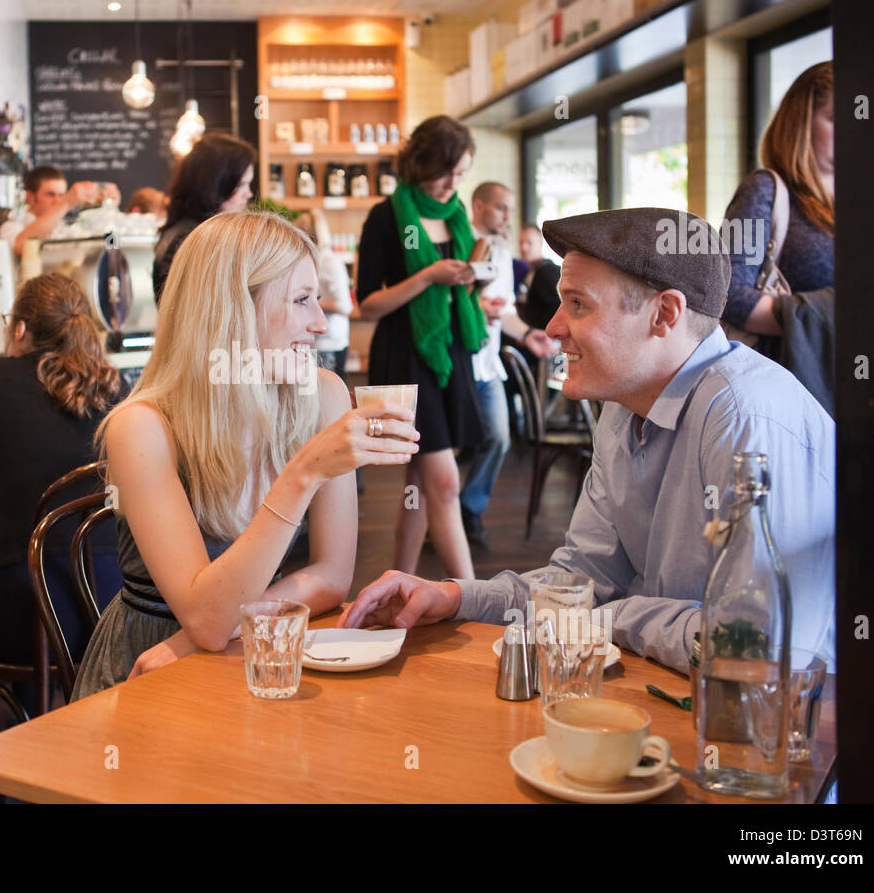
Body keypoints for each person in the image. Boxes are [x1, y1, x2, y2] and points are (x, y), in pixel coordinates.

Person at [340, 208, 835, 674]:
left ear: (664, 314)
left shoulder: (749, 417)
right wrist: (454, 597)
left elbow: (757, 647)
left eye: (578, 304)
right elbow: (580, 584)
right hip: (680, 696)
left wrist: (617, 616)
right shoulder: (623, 408)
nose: (553, 327)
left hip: (798, 738)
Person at [72, 211, 420, 698]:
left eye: (316, 299)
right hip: (147, 667)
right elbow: (207, 617)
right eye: (301, 300)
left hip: (244, 646)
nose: (321, 323)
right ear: (231, 309)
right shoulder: (143, 427)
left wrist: (195, 639)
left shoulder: (323, 395)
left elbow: (332, 578)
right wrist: (304, 472)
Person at [0, 273, 126, 669]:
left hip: (24, 606)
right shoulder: (118, 387)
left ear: (20, 327)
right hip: (116, 606)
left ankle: (23, 726)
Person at [355, 115, 485, 582]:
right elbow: (368, 305)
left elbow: (459, 290)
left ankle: (399, 582)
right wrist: (428, 276)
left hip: (452, 353)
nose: (453, 185)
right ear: (420, 163)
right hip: (406, 356)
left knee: (422, 484)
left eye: (462, 174)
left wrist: (471, 285)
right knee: (445, 483)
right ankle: (472, 600)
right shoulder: (386, 217)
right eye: (445, 172)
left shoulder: (457, 215)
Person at [721, 60, 834, 411]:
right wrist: (830, 316)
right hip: (791, 386)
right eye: (834, 118)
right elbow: (728, 294)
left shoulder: (873, 198)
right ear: (800, 124)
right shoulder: (764, 190)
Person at [459, 183, 557, 547]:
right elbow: (449, 298)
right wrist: (475, 308)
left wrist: (528, 333)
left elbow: (505, 313)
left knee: (499, 437)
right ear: (478, 205)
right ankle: (439, 517)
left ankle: (468, 507)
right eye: (500, 208)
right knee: (447, 449)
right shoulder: (459, 241)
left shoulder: (501, 250)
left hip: (488, 364)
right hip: (457, 361)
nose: (506, 217)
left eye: (509, 209)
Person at [151, 133, 256, 302]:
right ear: (217, 184)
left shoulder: (185, 230)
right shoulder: (192, 238)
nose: (249, 194)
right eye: (242, 185)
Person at [0, 166, 121, 258]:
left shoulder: (65, 230)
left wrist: (110, 211)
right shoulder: (12, 227)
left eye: (62, 195)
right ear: (30, 197)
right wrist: (66, 202)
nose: (57, 201)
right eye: (50, 194)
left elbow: (109, 245)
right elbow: (21, 246)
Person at [294, 209, 352, 381]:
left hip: (330, 341)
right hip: (316, 341)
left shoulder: (329, 263)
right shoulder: (312, 260)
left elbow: (345, 306)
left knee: (326, 391)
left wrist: (305, 303)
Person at [517, 221, 562, 333]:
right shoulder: (533, 271)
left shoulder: (547, 272)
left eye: (529, 243)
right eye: (521, 242)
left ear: (541, 243)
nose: (524, 248)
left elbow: (559, 309)